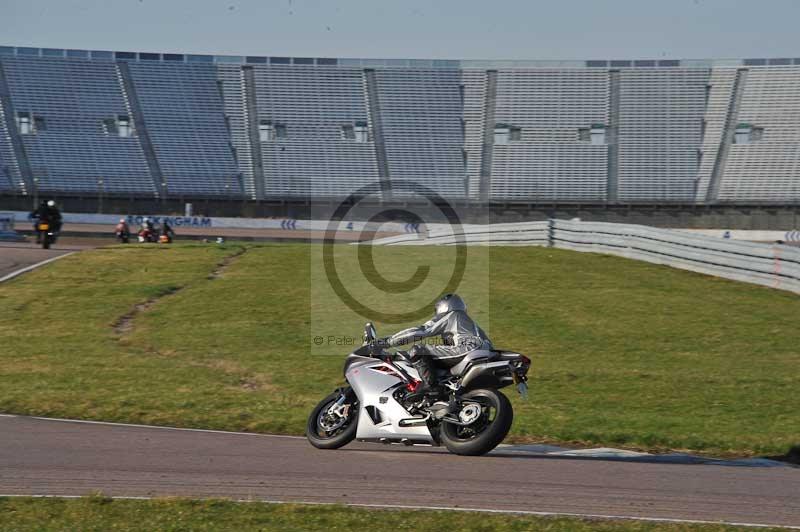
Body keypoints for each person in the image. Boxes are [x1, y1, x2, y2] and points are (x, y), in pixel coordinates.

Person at [384, 294, 492, 395]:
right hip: (485, 352)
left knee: (418, 350)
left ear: (444, 306)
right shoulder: (469, 324)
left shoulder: (451, 315)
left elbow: (421, 331)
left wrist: (387, 342)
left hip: (467, 348)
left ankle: (430, 386)